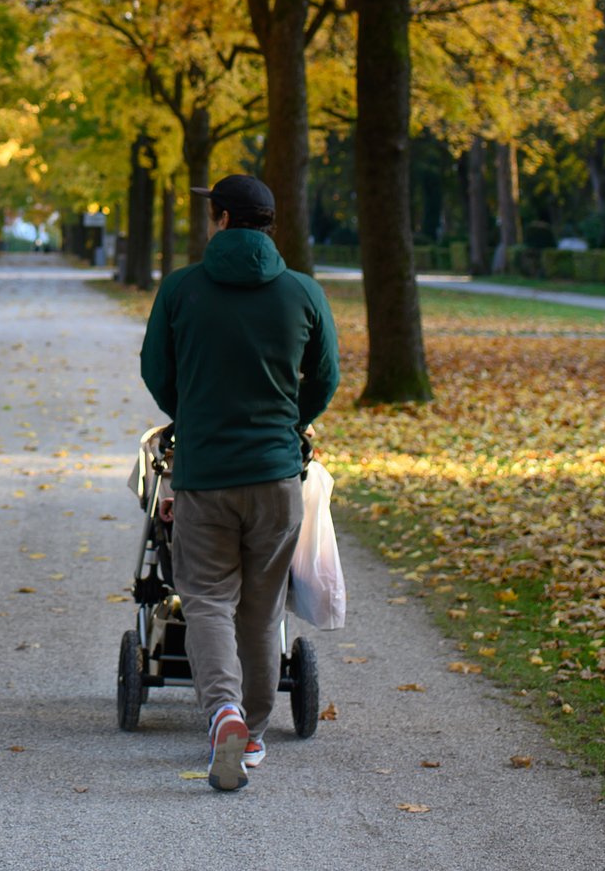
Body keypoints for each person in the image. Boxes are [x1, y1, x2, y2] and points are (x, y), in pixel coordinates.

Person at [138, 173, 339, 792]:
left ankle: (221, 710)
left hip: (203, 478)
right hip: (277, 478)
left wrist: (194, 418)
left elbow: (155, 371)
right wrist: (290, 424)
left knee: (205, 600)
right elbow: (325, 377)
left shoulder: (181, 290)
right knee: (261, 607)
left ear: (222, 218)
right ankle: (251, 732)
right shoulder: (304, 293)